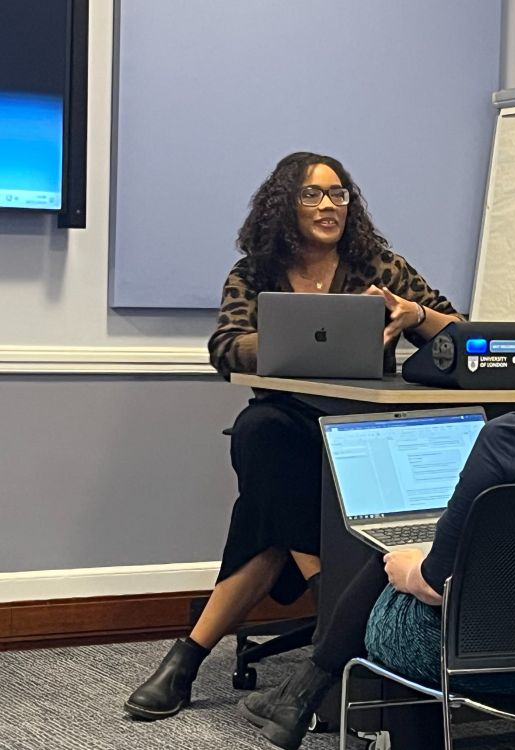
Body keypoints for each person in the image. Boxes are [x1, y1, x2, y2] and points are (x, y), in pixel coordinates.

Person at [236, 252, 515, 750]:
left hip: (476, 656)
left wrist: (407, 567)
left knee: (393, 557)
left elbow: (436, 586)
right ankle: (297, 695)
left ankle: (302, 694)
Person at [124, 152, 462, 721]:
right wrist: (289, 337)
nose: (328, 206)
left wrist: (414, 315)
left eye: (338, 194)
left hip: (360, 426)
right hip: (284, 421)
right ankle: (330, 609)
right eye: (312, 195)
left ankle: (188, 655)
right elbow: (225, 348)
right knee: (263, 432)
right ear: (286, 205)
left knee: (264, 506)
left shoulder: (379, 266)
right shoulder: (255, 273)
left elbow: (460, 330)